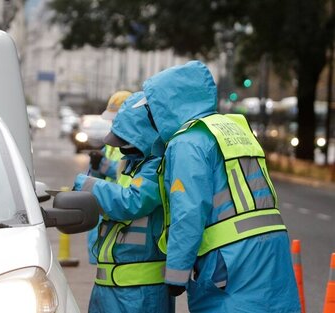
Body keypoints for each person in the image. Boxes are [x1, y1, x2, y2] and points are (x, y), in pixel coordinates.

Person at [138, 60, 301, 312]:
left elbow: (189, 212)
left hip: (229, 259)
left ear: (169, 106)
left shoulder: (187, 142)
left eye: (153, 109)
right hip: (272, 245)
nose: (152, 117)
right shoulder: (234, 129)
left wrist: (176, 273)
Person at [73, 91, 174, 313]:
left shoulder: (156, 166)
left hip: (139, 294)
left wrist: (86, 184)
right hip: (111, 288)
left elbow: (132, 201)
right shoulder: (133, 163)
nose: (120, 147)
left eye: (124, 140)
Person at [86, 90, 131, 264]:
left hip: (119, 210)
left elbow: (125, 173)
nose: (113, 122)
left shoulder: (135, 142)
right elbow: (98, 175)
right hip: (106, 207)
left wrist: (103, 165)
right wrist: (95, 165)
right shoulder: (113, 141)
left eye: (116, 117)